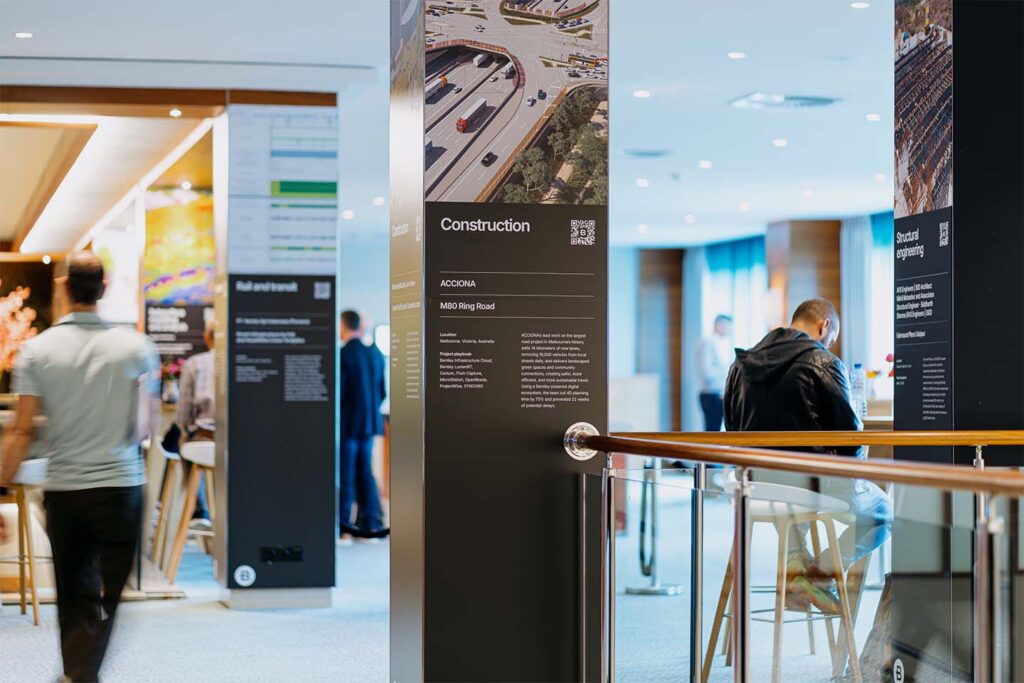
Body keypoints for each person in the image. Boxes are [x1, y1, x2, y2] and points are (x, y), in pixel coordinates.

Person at [0, 253, 160, 683]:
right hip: (122, 487)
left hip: (67, 492)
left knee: (75, 592)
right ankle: (81, 672)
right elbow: (144, 427)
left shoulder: (37, 351)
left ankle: (78, 672)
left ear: (64, 287)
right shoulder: (139, 348)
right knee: (110, 595)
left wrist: (0, 488)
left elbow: (19, 432)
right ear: (104, 289)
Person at [724, 297, 891, 613]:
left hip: (754, 484)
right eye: (831, 338)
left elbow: (732, 428)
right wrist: (853, 476)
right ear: (824, 325)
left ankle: (796, 570)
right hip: (811, 485)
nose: (829, 344)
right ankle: (818, 574)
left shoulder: (741, 364)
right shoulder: (823, 362)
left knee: (789, 501)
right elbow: (851, 437)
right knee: (885, 514)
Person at [338, 310, 388, 540]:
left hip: (349, 424)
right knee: (366, 472)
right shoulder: (376, 354)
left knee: (346, 474)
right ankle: (371, 521)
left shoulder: (343, 355)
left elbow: (341, 394)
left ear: (344, 326)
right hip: (370, 424)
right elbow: (382, 392)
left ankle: (344, 526)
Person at [176, 316, 216, 523]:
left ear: (207, 337)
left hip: (205, 439)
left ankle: (199, 507)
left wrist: (187, 430)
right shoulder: (244, 360)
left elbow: (183, 417)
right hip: (237, 444)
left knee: (183, 443)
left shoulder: (195, 364)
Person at [694, 314, 733, 431]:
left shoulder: (717, 343)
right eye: (727, 326)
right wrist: (726, 370)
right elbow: (707, 372)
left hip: (716, 395)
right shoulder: (708, 343)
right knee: (712, 431)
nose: (729, 330)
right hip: (711, 395)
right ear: (718, 325)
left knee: (716, 430)